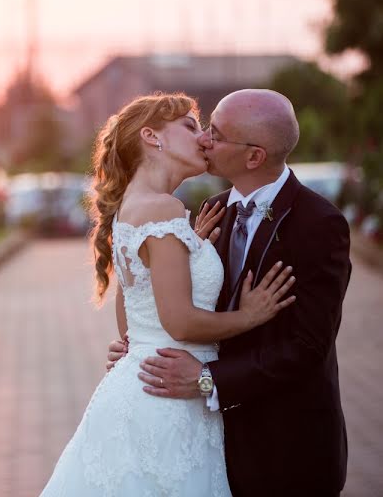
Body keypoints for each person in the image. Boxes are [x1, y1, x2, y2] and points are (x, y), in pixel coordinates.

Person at [39, 93, 295, 497]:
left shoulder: (134, 210)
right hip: (166, 402)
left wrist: (187, 249)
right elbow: (179, 321)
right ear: (152, 137)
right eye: (191, 127)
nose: (204, 138)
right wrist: (250, 315)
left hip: (145, 386)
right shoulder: (163, 211)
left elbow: (132, 317)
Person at [107, 89, 352, 496]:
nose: (204, 139)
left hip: (285, 449)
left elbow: (307, 346)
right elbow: (150, 288)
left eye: (215, 134)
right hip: (210, 441)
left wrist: (207, 380)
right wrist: (136, 348)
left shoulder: (320, 224)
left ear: (254, 156)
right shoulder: (207, 212)